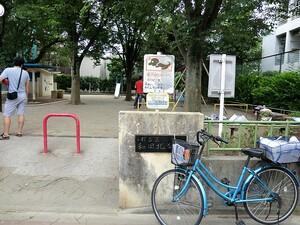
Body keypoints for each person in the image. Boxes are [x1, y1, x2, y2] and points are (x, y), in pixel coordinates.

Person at [0, 56, 30, 140]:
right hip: (23, 95)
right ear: (22, 64)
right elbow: (27, 86)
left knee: (7, 115)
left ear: (14, 62)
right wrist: (26, 96)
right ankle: (19, 132)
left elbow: (0, 80)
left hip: (12, 95)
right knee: (21, 113)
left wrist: (5, 82)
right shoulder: (25, 73)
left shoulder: (8, 70)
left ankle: (6, 134)